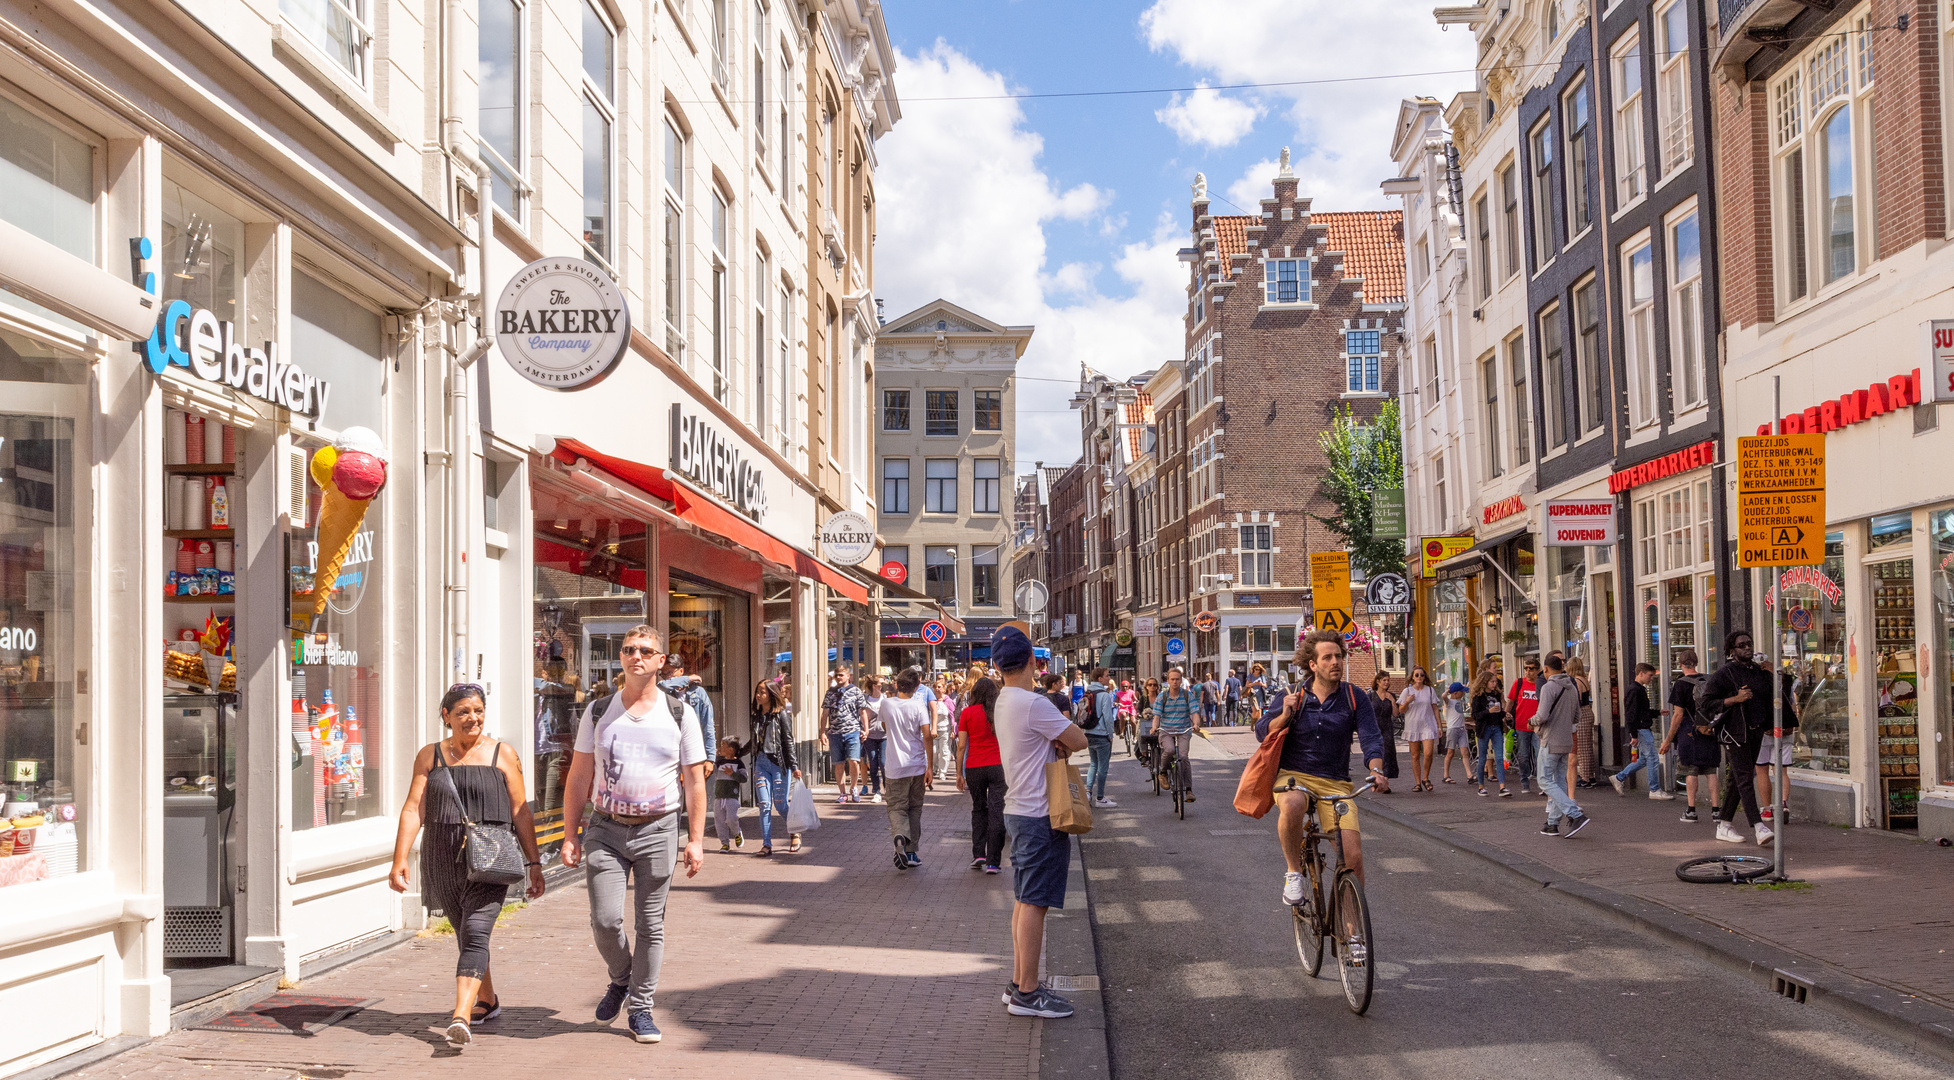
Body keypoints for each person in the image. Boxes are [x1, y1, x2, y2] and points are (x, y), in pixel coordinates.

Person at [559, 626, 708, 1045]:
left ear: (661, 661)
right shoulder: (597, 711)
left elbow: (695, 781)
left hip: (658, 828)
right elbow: (579, 776)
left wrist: (694, 839)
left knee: (650, 924)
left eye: (645, 650)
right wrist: (570, 833)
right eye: (628, 650)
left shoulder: (680, 713)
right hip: (605, 827)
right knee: (605, 920)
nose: (635, 656)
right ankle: (622, 978)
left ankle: (641, 1007)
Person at [389, 684, 546, 1049]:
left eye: (477, 710)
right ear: (446, 717)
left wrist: (534, 862)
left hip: (491, 859)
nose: (472, 718)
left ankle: (461, 1015)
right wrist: (400, 858)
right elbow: (414, 808)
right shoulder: (430, 756)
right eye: (462, 712)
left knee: (476, 931)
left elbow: (522, 812)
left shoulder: (502, 755)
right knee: (465, 933)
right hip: (442, 858)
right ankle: (487, 999)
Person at [990, 626, 1089, 1019]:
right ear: (1033, 661)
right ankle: (1028, 994)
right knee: (1034, 903)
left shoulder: (1003, 699)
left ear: (997, 666)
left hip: (1019, 808)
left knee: (1023, 899)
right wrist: (1059, 740)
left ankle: (1019, 983)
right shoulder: (1034, 704)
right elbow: (1079, 739)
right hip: (1038, 812)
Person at [1258, 630, 1388, 908]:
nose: (1335, 662)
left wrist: (1376, 770)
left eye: (1338, 656)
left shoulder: (1355, 697)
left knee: (1352, 858)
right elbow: (1261, 731)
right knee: (1292, 804)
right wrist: (1284, 715)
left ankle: (1353, 935)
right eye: (1327, 657)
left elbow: (1371, 737)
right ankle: (1293, 872)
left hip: (1335, 783)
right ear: (1313, 664)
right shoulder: (1292, 694)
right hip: (1295, 776)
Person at [1702, 630, 1794, 846]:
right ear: (1732, 650)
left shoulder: (1757, 671)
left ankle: (1724, 825)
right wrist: (1734, 699)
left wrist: (1775, 673)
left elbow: (1781, 693)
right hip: (1735, 733)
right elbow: (1706, 703)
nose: (1747, 648)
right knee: (1745, 778)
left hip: (1756, 731)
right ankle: (1758, 826)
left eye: (1749, 644)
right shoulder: (1726, 673)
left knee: (1737, 779)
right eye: (1742, 645)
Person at [878, 669, 935, 869]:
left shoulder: (886, 703)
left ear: (897, 684)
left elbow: (885, 727)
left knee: (896, 807)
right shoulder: (918, 706)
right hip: (917, 765)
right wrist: (930, 766)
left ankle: (900, 835)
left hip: (895, 766)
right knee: (915, 808)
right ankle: (911, 853)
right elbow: (927, 735)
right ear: (917, 686)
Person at [1531, 654, 1590, 836]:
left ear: (1546, 669)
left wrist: (1531, 720)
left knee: (1544, 780)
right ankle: (1552, 823)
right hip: (1566, 740)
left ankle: (1574, 814)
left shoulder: (1549, 687)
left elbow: (1542, 716)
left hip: (1550, 740)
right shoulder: (1572, 687)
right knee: (1559, 780)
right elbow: (1577, 716)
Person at [1658, 650, 1719, 821]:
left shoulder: (1681, 684)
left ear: (1681, 665)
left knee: (1691, 770)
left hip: (1689, 731)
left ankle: (1691, 810)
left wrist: (1668, 739)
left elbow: (1677, 715)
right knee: (1711, 770)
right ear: (1697, 662)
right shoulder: (1709, 680)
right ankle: (1716, 811)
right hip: (1709, 729)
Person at [957, 676, 1008, 873]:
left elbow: (961, 746)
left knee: (979, 809)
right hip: (997, 766)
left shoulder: (967, 713)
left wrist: (959, 774)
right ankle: (993, 862)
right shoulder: (1000, 713)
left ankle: (979, 853)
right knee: (997, 811)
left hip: (974, 767)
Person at [748, 680, 801, 855]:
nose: (758, 695)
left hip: (778, 763)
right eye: (757, 692)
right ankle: (767, 844)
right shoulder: (756, 716)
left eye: (762, 692)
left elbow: (788, 741)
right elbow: (754, 741)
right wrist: (737, 752)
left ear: (771, 694)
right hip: (761, 763)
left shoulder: (781, 715)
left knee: (780, 804)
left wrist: (794, 766)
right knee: (764, 804)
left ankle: (794, 831)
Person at [1610, 664, 1672, 800]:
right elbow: (1631, 713)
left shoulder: (1635, 689)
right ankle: (1654, 789)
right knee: (1653, 758)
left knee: (1645, 759)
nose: (1651, 679)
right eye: (1650, 675)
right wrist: (1634, 734)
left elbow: (1637, 712)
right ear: (1641, 673)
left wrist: (1657, 712)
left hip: (1640, 728)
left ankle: (1619, 777)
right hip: (1641, 729)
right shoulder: (1636, 690)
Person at [1755, 660, 1800, 825]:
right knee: (1781, 771)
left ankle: (1767, 809)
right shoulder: (1787, 681)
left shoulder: (1757, 682)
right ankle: (1782, 804)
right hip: (1784, 729)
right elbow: (1794, 706)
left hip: (1763, 731)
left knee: (1762, 770)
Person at [1149, 666, 1202, 802]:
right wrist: (1154, 727)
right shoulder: (1162, 697)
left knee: (1183, 757)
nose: (1175, 682)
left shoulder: (1187, 695)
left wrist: (1196, 724)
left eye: (1177, 679)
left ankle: (1189, 790)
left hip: (1183, 730)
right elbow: (1156, 716)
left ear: (1181, 681)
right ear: (1167, 681)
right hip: (1166, 730)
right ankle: (1162, 773)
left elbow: (1195, 713)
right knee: (1170, 749)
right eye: (1172, 679)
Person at [822, 669, 868, 804]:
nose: (839, 678)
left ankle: (853, 788)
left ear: (848, 676)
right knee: (838, 763)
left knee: (854, 760)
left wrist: (866, 730)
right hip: (835, 732)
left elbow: (863, 711)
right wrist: (822, 732)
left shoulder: (856, 691)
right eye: (837, 675)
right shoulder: (830, 692)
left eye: (841, 675)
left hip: (852, 731)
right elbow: (825, 713)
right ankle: (842, 793)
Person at [1076, 668, 1119, 805]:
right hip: (1101, 734)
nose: (1108, 678)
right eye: (1106, 676)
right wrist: (1110, 734)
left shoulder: (1087, 692)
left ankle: (1088, 792)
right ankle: (1100, 798)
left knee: (1093, 764)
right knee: (1103, 767)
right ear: (1100, 679)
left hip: (1089, 732)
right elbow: (1108, 717)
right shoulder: (1103, 695)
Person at [1396, 667, 1442, 792]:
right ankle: (1417, 782)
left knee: (1428, 753)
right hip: (1413, 726)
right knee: (1415, 755)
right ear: (1412, 677)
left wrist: (1439, 726)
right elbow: (1401, 710)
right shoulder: (1407, 691)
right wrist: (1407, 701)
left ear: (1424, 677)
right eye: (1417, 675)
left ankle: (1425, 777)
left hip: (1428, 724)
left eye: (1422, 674)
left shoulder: (1430, 690)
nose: (1419, 677)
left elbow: (1435, 708)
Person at [1468, 664, 1510, 797]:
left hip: (1496, 727)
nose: (1494, 684)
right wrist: (1488, 711)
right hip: (1484, 729)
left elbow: (1498, 712)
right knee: (1483, 757)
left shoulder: (1496, 695)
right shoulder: (1478, 697)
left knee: (1499, 757)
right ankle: (1481, 786)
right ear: (1485, 682)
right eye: (1492, 681)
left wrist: (1504, 714)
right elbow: (1475, 715)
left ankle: (1502, 787)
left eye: (1495, 681)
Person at [659, 656, 715, 756]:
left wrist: (710, 757)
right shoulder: (664, 692)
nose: (667, 677)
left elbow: (708, 726)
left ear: (681, 671)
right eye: (663, 674)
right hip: (670, 749)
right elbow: (664, 686)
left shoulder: (698, 693)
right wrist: (688, 678)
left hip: (693, 748)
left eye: (669, 673)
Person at [1507, 659, 1543, 794]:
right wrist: (1506, 714)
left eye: (1531, 668)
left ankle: (1542, 783)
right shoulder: (1519, 683)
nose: (1528, 671)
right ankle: (1524, 781)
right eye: (1526, 668)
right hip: (1522, 724)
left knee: (1540, 754)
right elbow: (1511, 701)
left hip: (1538, 725)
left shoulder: (1541, 684)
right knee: (1523, 755)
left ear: (1537, 670)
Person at [709, 737, 748, 852]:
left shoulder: (738, 763)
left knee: (731, 818)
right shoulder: (719, 761)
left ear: (731, 749)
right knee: (719, 821)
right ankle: (724, 843)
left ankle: (737, 832)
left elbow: (744, 778)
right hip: (719, 796)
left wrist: (733, 774)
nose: (720, 748)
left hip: (732, 796)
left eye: (723, 745)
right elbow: (711, 770)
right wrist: (712, 758)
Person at [1568, 657, 1598, 788]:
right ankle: (1590, 776)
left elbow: (1577, 700)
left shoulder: (1576, 681)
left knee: (1582, 748)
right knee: (1587, 746)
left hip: (1581, 714)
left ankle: (1585, 778)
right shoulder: (1584, 679)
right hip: (1588, 711)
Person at [1367, 672, 1400, 788]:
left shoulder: (1391, 695)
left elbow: (1396, 714)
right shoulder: (1371, 696)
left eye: (1388, 680)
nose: (1386, 682)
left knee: (1388, 754)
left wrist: (1392, 701)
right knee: (1377, 753)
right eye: (1384, 680)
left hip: (1387, 727)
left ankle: (1385, 782)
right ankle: (1376, 778)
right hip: (1375, 727)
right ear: (1378, 682)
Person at [1439, 681, 1472, 783]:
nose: (1463, 693)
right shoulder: (1449, 702)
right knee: (1450, 752)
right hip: (1453, 729)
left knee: (1465, 752)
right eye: (1461, 692)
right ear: (1455, 693)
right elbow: (1443, 696)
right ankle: (1446, 775)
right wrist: (1448, 691)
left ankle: (1469, 775)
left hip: (1461, 729)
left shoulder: (1460, 701)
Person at [862, 677, 888, 801]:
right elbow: (862, 716)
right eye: (879, 684)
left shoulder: (886, 699)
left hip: (884, 735)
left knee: (883, 762)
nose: (881, 686)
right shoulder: (865, 700)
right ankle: (876, 790)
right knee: (872, 763)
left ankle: (887, 789)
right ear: (873, 685)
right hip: (870, 735)